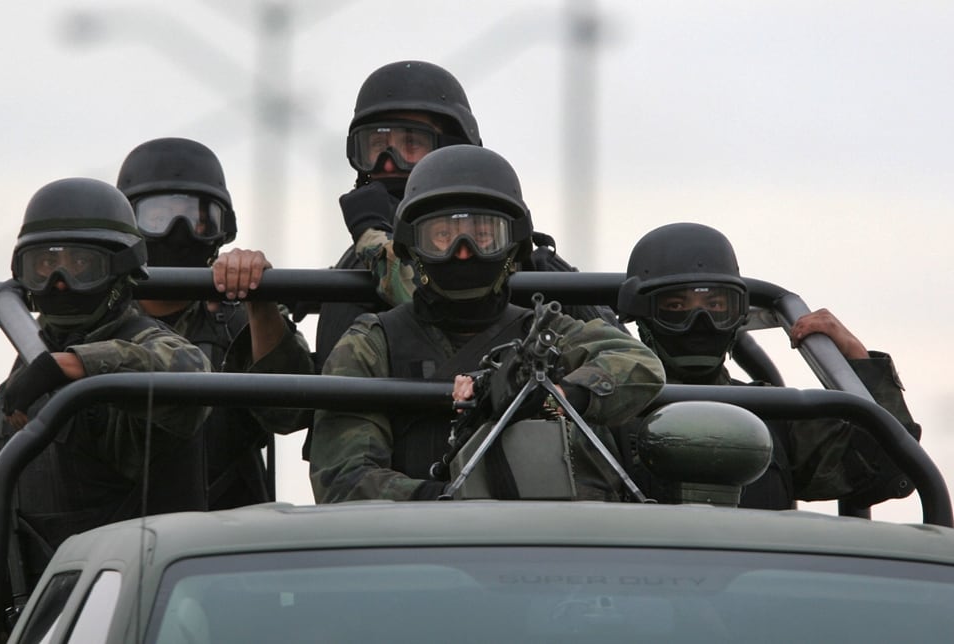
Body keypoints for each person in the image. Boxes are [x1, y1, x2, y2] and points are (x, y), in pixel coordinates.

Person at [310, 145, 665, 503]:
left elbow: (641, 365)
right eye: (443, 236)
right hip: (418, 545)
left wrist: (555, 396)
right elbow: (344, 478)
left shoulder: (547, 332)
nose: (463, 251)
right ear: (413, 248)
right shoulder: (372, 344)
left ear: (512, 247)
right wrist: (453, 499)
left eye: (482, 235)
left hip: (550, 541)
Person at [0, 177, 211, 601]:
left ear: (121, 267)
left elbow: (191, 373)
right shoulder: (31, 351)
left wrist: (79, 366)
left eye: (81, 264)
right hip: (37, 605)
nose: (59, 281)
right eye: (43, 265)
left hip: (134, 603)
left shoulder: (144, 342)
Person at [316, 59, 619, 372]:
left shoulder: (524, 261)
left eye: (410, 144)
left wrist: (372, 236)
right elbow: (293, 409)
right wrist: (266, 312)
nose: (388, 163)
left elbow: (627, 368)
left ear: (454, 148)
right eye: (376, 145)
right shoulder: (352, 268)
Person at [615, 222, 921, 509]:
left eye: (717, 306)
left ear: (739, 316)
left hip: (755, 564)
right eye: (676, 307)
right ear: (643, 315)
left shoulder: (776, 415)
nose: (701, 322)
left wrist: (858, 359)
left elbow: (885, 467)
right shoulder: (603, 413)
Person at [116, 137, 314, 509]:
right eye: (157, 217)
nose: (179, 230)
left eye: (198, 218)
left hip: (220, 542)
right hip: (108, 540)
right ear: (127, 225)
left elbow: (289, 414)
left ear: (222, 229)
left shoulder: (235, 315)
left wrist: (259, 301)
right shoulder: (97, 316)